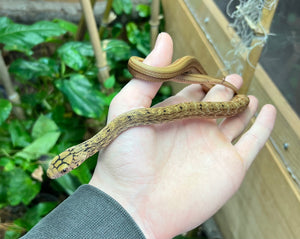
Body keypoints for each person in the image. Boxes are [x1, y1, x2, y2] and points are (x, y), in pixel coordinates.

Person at [22, 33, 276, 239]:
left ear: (73, 159)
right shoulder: (98, 141)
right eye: (63, 170)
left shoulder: (102, 138)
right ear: (74, 160)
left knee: (236, 100)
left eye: (62, 168)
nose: (61, 171)